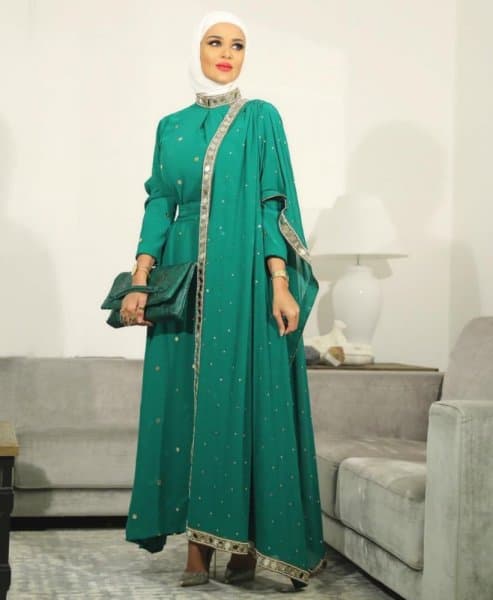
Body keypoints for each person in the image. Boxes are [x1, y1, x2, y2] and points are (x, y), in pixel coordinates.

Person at [120, 10, 326, 591]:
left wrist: (279, 282)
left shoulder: (260, 117)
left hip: (246, 281)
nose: (226, 53)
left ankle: (241, 542)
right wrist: (140, 277)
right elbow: (160, 203)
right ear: (197, 50)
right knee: (184, 406)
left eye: (237, 45)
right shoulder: (171, 127)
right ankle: (197, 545)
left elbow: (271, 203)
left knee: (234, 403)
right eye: (215, 42)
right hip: (183, 280)